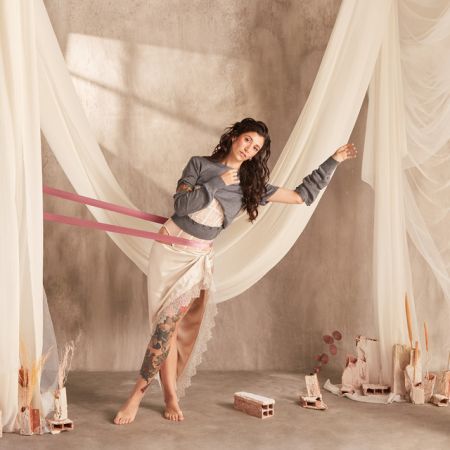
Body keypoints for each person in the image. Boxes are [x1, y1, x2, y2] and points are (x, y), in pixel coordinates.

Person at [113, 118, 357, 424]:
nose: (249, 149)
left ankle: (136, 396)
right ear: (234, 137)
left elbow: (300, 196)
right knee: (166, 328)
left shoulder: (251, 186)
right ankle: (170, 395)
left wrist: (333, 161)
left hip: (195, 260)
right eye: (247, 140)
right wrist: (216, 183)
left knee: (166, 327)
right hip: (166, 251)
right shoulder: (199, 165)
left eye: (256, 148)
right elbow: (181, 206)